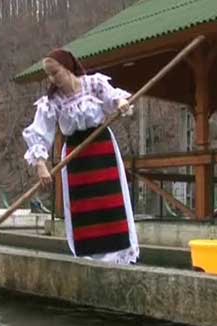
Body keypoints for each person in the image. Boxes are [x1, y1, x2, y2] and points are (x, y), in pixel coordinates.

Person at [22, 49, 140, 265]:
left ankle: (118, 256)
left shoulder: (94, 84)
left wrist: (121, 103)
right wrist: (41, 165)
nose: (52, 79)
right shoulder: (53, 101)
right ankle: (89, 257)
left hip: (102, 147)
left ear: (67, 67)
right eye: (48, 74)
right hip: (76, 156)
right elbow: (39, 132)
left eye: (54, 72)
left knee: (108, 200)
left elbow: (113, 98)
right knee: (83, 206)